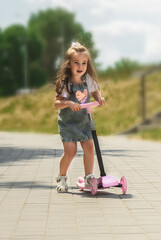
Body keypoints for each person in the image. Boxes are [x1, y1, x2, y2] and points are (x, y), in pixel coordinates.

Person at [54, 42, 105, 193]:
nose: (80, 66)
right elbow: (57, 102)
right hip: (68, 123)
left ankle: (89, 177)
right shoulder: (65, 83)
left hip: (84, 120)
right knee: (71, 152)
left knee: (89, 147)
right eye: (76, 62)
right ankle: (62, 178)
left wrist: (99, 98)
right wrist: (68, 103)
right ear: (69, 64)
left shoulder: (88, 79)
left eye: (84, 63)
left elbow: (95, 91)